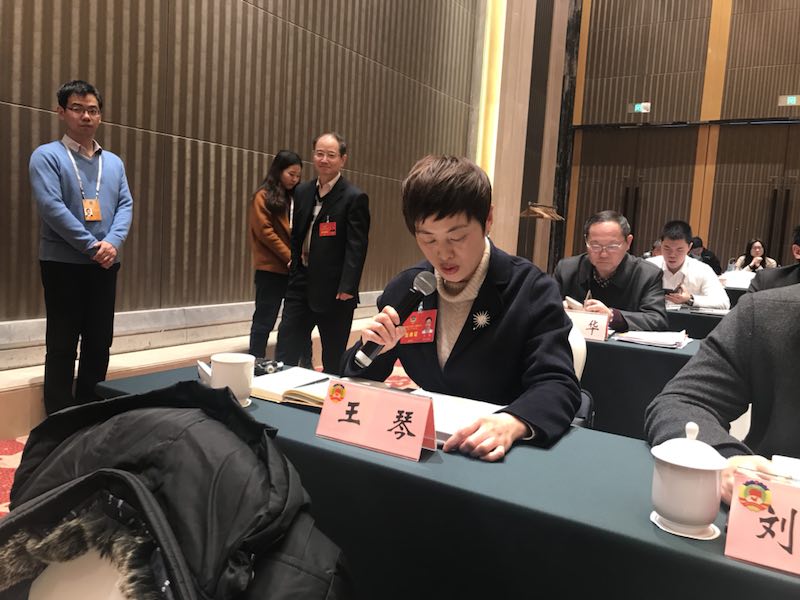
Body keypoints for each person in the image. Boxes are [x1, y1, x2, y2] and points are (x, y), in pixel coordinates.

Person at [341, 156, 580, 462]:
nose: (443, 253)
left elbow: (558, 384)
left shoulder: (531, 290)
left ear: (488, 219)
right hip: (427, 446)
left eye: (457, 237)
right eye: (428, 239)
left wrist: (514, 421)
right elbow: (353, 377)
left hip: (497, 452)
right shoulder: (407, 289)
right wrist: (374, 348)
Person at [29, 80, 133, 414]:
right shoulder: (47, 156)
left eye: (93, 110)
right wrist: (92, 246)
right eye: (77, 108)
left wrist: (112, 243)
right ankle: (59, 419)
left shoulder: (113, 163)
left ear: (100, 116)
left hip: (105, 264)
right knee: (62, 344)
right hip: (63, 264)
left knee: (99, 342)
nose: (86, 116)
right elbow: (51, 207)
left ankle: (90, 414)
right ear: (61, 112)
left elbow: (126, 205)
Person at [645, 283, 800, 505]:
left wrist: (691, 299)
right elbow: (682, 402)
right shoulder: (765, 312)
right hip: (767, 504)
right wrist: (728, 460)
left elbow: (719, 301)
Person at [276, 132, 370, 375]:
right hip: (301, 284)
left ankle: (330, 397)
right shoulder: (302, 191)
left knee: (333, 358)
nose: (324, 160)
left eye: (331, 155)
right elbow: (297, 235)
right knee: (285, 349)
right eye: (319, 154)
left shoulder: (353, 197)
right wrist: (294, 265)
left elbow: (356, 246)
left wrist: (348, 286)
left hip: (335, 292)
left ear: (342, 159)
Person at [553, 210, 667, 331]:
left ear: (628, 242)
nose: (603, 254)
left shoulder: (647, 274)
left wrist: (613, 316)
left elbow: (657, 320)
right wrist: (556, 310)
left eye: (612, 246)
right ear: (586, 242)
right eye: (595, 246)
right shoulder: (567, 269)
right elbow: (543, 309)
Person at [247, 151, 303, 358]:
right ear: (279, 171)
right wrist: (290, 257)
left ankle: (284, 361)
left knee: (292, 321)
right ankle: (255, 360)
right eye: (291, 174)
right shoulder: (263, 196)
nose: (295, 179)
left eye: (298, 176)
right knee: (265, 319)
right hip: (270, 269)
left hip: (293, 270)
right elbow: (265, 232)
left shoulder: (295, 198)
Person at [647, 221, 729, 309]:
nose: (672, 255)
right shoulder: (648, 266)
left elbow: (723, 303)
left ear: (689, 247)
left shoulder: (702, 270)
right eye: (667, 248)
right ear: (661, 244)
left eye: (679, 249)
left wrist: (690, 299)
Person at [748, 225, 800, 292]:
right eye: (754, 248)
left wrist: (758, 266)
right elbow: (738, 274)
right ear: (797, 251)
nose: (757, 250)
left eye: (759, 248)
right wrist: (751, 265)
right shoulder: (766, 281)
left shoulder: (770, 262)